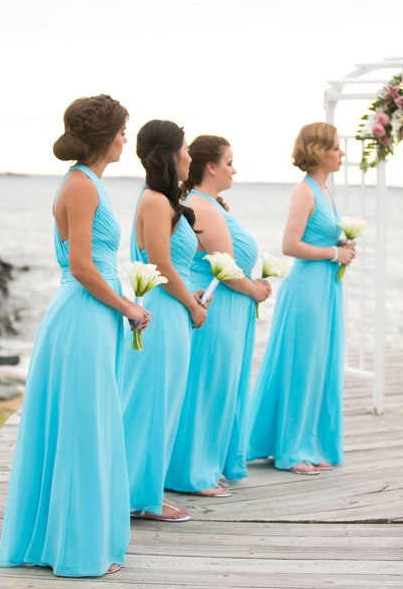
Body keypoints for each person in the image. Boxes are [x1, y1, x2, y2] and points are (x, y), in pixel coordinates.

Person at [0, 94, 148, 577]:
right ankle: (77, 550)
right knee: (83, 426)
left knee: (87, 423)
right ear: (106, 136)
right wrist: (126, 304)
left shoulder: (89, 183)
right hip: (83, 316)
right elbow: (82, 265)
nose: (128, 138)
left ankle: (67, 538)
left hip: (91, 316)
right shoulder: (82, 185)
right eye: (123, 130)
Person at [245, 122, 355, 475]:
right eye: (336, 147)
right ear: (319, 151)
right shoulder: (305, 192)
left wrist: (341, 247)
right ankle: (291, 449)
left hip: (328, 289)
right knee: (302, 365)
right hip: (307, 289)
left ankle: (314, 442)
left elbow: (318, 238)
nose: (341, 153)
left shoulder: (327, 192)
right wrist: (332, 254)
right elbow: (290, 245)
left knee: (322, 364)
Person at [166, 136, 271, 496]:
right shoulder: (203, 206)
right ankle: (194, 472)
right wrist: (255, 290)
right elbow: (226, 268)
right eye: (229, 162)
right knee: (207, 387)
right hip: (215, 307)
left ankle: (208, 462)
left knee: (220, 386)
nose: (234, 168)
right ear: (210, 166)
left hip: (227, 309)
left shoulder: (209, 204)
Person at [119, 120, 208, 523]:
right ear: (171, 155)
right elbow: (160, 265)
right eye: (186, 149)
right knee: (151, 402)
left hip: (174, 308)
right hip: (165, 310)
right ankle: (140, 497)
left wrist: (192, 297)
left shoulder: (165, 200)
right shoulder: (155, 199)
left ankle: (144, 490)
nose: (191, 156)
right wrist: (192, 304)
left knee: (165, 402)